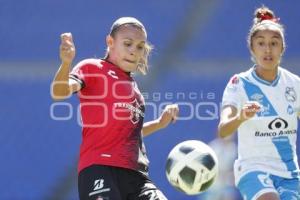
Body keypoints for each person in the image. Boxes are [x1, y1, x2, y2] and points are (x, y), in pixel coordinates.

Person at [51, 17, 179, 200]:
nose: (134, 51)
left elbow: (127, 134)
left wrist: (159, 123)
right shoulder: (93, 68)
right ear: (110, 42)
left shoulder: (135, 90)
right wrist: (65, 63)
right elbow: (59, 91)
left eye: (140, 46)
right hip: (100, 170)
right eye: (127, 44)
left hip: (137, 178)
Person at [218, 6, 300, 200]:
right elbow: (223, 130)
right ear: (252, 49)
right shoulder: (239, 84)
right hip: (252, 168)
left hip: (289, 173)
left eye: (274, 43)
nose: (268, 49)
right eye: (261, 43)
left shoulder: (295, 84)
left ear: (283, 48)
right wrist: (241, 117)